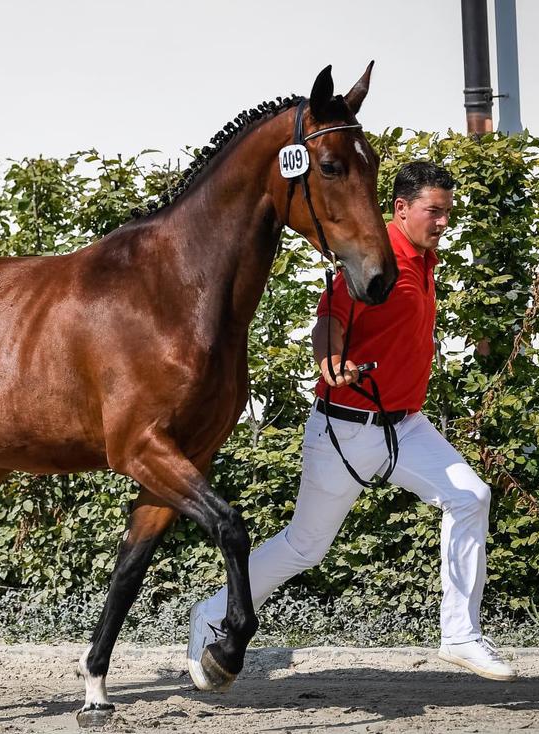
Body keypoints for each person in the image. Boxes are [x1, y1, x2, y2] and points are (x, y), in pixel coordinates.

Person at [188, 161, 516, 688]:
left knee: (470, 496)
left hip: (405, 428)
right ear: (401, 209)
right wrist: (331, 360)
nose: (443, 223)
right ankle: (211, 613)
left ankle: (459, 634)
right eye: (435, 212)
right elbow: (331, 318)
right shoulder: (373, 258)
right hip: (344, 429)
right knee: (304, 547)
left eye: (448, 213)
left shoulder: (425, 258)